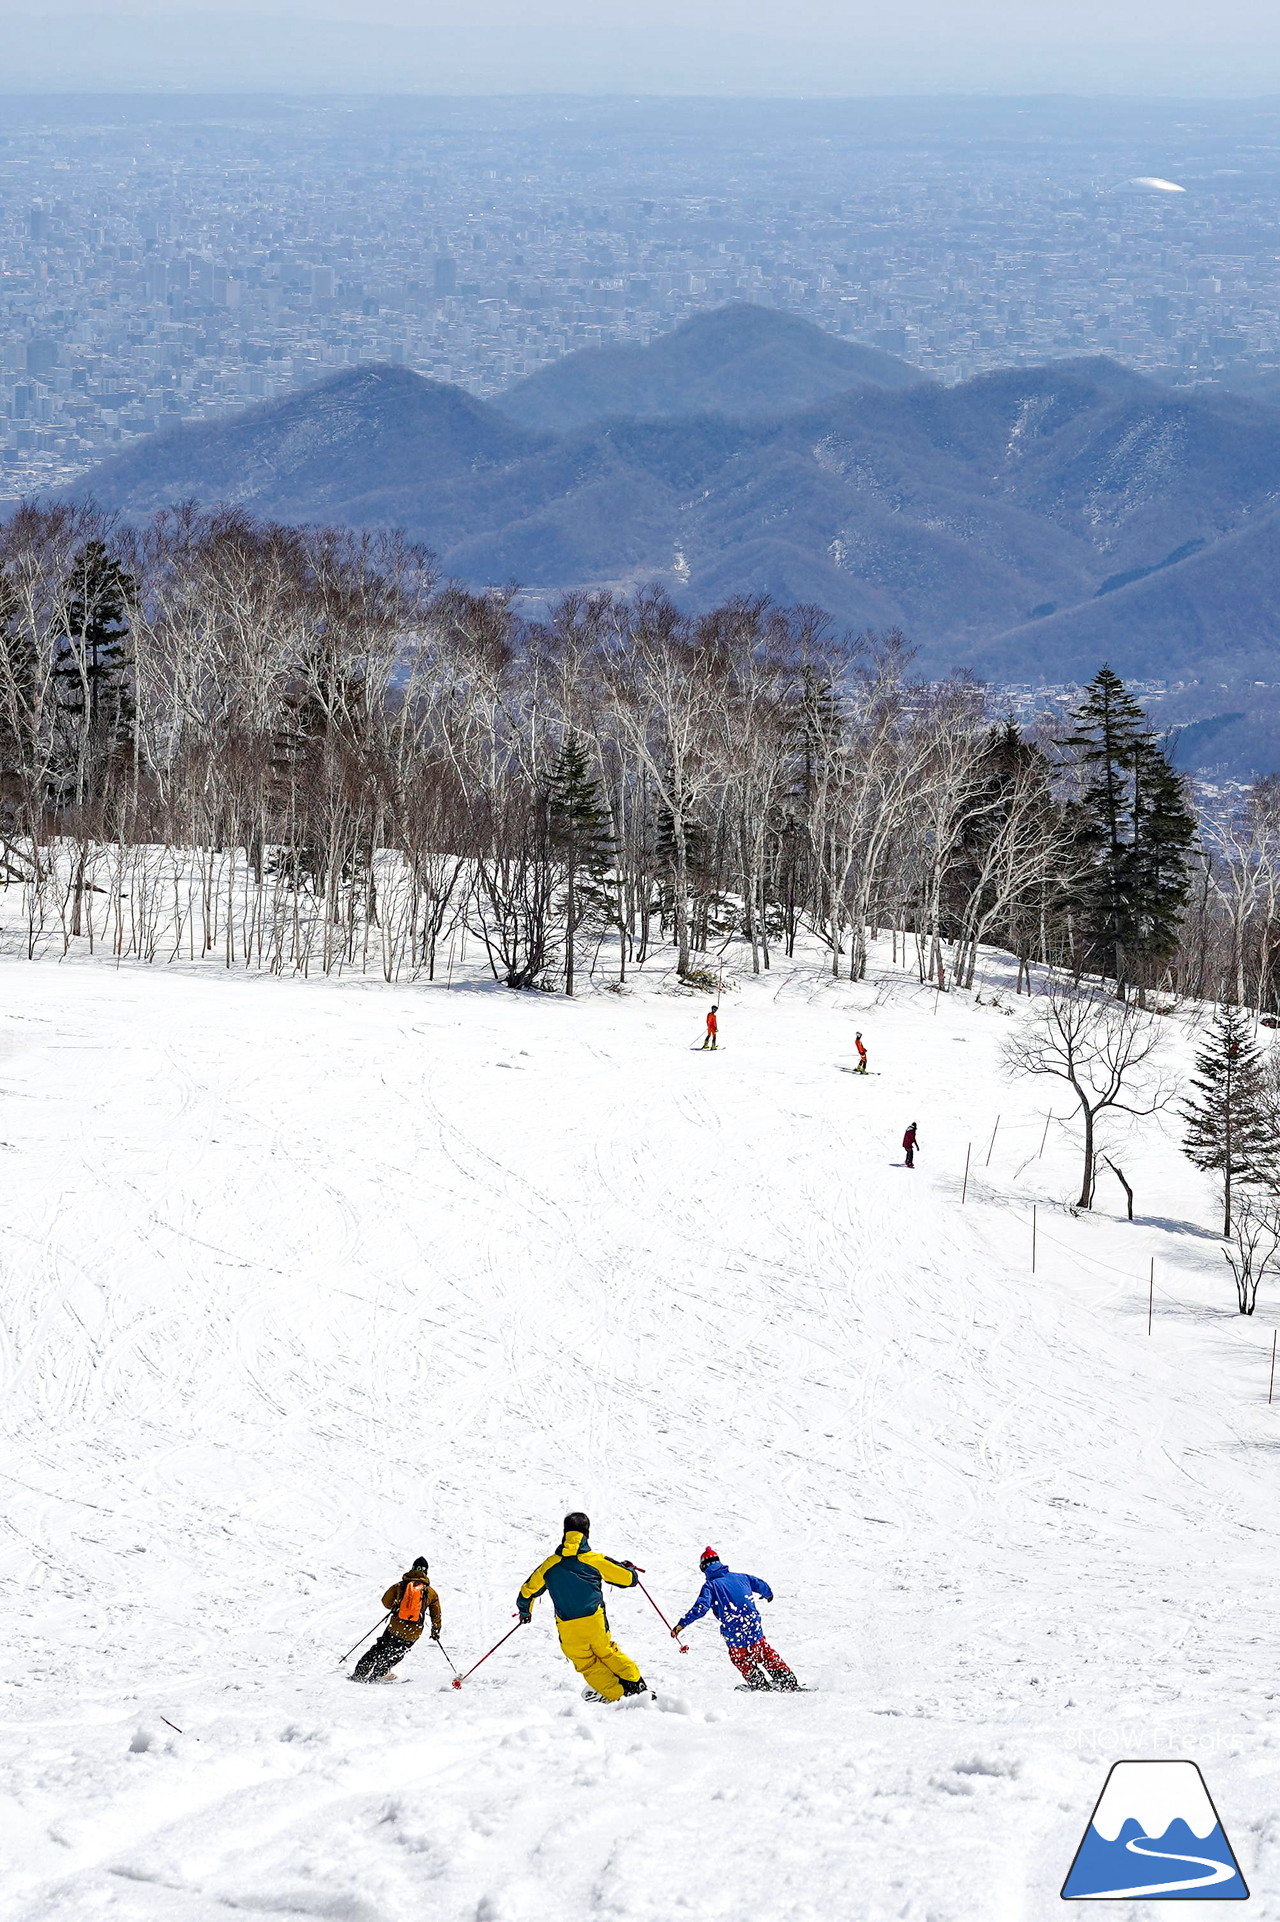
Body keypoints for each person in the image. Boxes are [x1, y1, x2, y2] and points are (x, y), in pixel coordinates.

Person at [517, 1511, 648, 1702]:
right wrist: (628, 1569)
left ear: (564, 1532)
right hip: (594, 1623)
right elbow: (629, 1579)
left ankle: (619, 1696)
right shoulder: (594, 1560)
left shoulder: (550, 1565)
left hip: (569, 1629)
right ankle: (637, 1684)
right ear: (587, 1533)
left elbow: (527, 1592)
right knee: (608, 1652)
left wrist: (525, 1613)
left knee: (587, 1664)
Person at [673, 1547, 798, 1691]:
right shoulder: (741, 1577)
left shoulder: (710, 1585)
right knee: (763, 1651)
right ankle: (786, 1679)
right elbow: (760, 1584)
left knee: (741, 1657)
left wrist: (681, 1625)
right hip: (752, 1624)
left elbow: (700, 1608)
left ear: (704, 1568)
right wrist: (768, 1594)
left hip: (733, 1631)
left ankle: (760, 1684)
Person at [351, 1555, 442, 1682]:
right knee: (396, 1654)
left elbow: (385, 1602)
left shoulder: (400, 1586)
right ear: (426, 1572)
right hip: (413, 1632)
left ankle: (360, 1673)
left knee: (380, 1648)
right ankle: (378, 1674)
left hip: (395, 1627)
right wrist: (435, 1631)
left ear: (412, 1568)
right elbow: (436, 1615)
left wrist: (396, 1605)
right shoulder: (431, 1592)